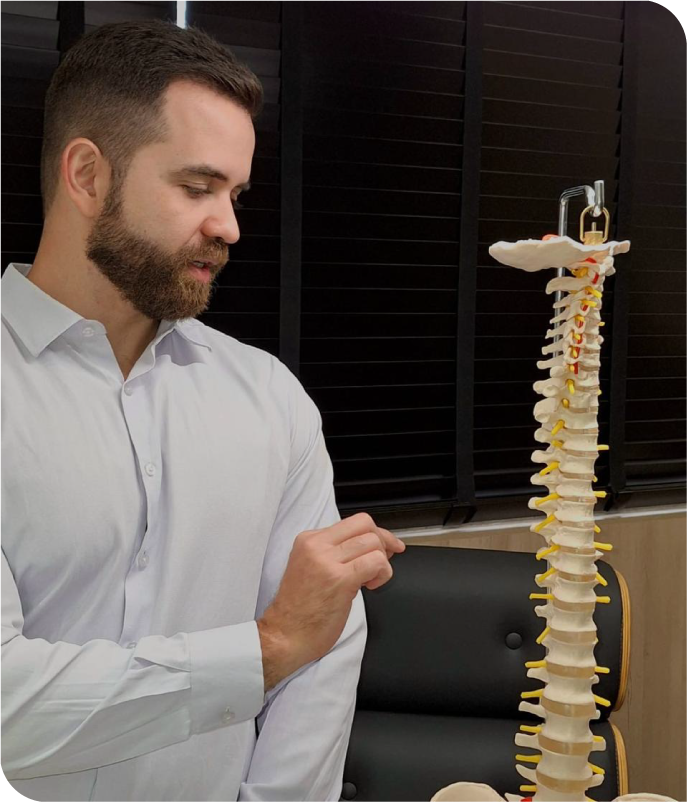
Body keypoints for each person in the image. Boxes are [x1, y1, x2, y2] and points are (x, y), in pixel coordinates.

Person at [1, 19, 405, 802]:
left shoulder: (268, 399)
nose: (229, 226)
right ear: (86, 175)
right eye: (197, 187)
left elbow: (321, 655)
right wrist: (266, 647)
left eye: (235, 194)